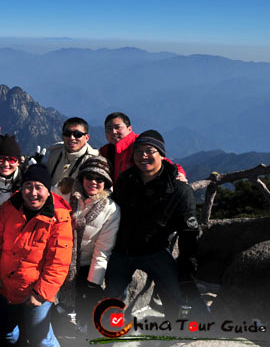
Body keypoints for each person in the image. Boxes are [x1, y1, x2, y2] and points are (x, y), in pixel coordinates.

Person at [104, 130, 206, 319]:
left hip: (156, 251)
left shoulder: (179, 190)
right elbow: (113, 211)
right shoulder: (126, 180)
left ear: (162, 155)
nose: (143, 156)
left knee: (179, 294)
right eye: (138, 151)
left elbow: (189, 231)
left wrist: (187, 269)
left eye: (150, 151)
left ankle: (197, 328)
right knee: (111, 300)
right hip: (122, 250)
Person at [0, 164, 73, 347]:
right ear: (21, 188)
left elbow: (58, 263)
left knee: (40, 339)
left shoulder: (59, 218)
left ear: (48, 191)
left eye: (39, 187)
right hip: (7, 286)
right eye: (28, 186)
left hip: (36, 291)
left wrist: (40, 294)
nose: (33, 193)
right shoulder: (9, 208)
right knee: (9, 335)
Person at [57, 156, 120, 332]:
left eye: (100, 179)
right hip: (59, 259)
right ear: (82, 177)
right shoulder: (65, 192)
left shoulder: (111, 209)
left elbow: (103, 248)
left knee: (86, 303)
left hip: (85, 263)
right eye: (89, 177)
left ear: (106, 183)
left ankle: (81, 326)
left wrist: (94, 282)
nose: (94, 182)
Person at [99, 112, 186, 184]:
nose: (113, 132)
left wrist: (179, 174)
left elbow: (165, 163)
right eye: (109, 129)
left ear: (130, 129)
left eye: (117, 127)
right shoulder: (106, 151)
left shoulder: (141, 144)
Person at [46, 117, 99, 194]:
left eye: (77, 134)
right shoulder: (55, 153)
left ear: (87, 138)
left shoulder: (93, 161)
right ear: (62, 136)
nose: (72, 138)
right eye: (67, 134)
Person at [0, 134, 23, 209]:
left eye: (11, 160)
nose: (6, 164)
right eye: (1, 158)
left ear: (18, 162)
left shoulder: (24, 182)